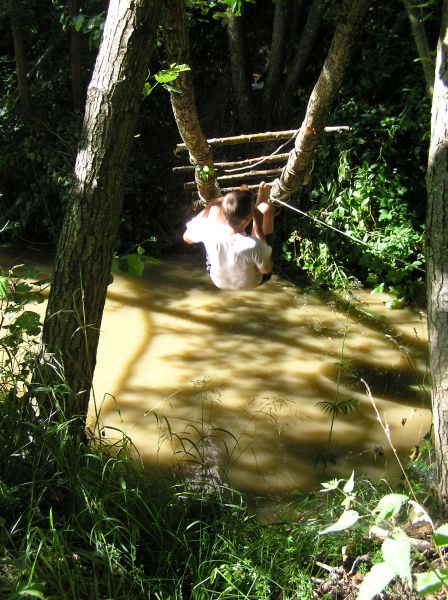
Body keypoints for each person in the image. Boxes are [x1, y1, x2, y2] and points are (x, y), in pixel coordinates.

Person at [183, 181, 275, 290]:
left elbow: (186, 237)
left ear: (225, 212)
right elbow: (266, 270)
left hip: (219, 281)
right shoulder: (252, 245)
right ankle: (261, 201)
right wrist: (258, 225)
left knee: (214, 210)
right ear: (248, 219)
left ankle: (251, 203)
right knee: (266, 207)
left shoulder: (209, 231)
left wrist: (211, 205)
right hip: (251, 283)